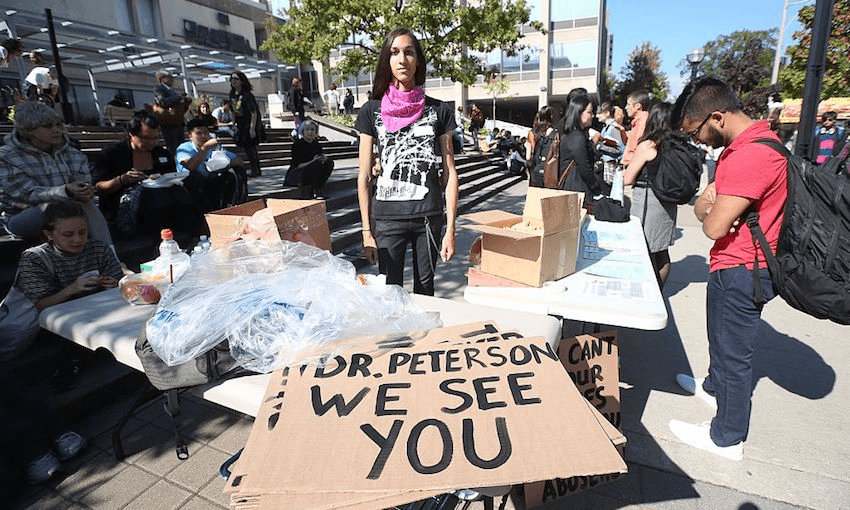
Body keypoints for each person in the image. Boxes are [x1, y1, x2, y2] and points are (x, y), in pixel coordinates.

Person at [668, 76, 788, 461]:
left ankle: (727, 437)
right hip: (734, 264)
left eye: (697, 133)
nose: (698, 142)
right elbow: (702, 206)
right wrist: (710, 210)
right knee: (721, 342)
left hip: (742, 268)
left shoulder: (750, 156)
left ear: (716, 117)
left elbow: (712, 224)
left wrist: (712, 213)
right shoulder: (752, 145)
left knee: (735, 357)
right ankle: (712, 388)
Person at [355, 27, 459, 296]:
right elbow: (365, 176)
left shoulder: (439, 111)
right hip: (387, 219)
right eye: (394, 52)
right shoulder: (371, 111)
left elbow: (449, 172)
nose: (402, 59)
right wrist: (367, 231)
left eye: (409, 52)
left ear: (418, 61)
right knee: (389, 295)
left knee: (426, 290)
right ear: (386, 60)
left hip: (428, 216)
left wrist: (451, 229)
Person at [0, 102, 112, 246]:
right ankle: (110, 258)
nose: (57, 130)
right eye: (48, 126)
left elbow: (82, 183)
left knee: (83, 204)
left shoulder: (73, 154)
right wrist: (65, 191)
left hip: (69, 211)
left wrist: (84, 191)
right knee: (60, 207)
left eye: (59, 125)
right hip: (22, 217)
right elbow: (27, 195)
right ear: (28, 130)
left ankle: (106, 258)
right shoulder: (6, 156)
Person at [93, 109, 203, 237]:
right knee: (154, 194)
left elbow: (172, 177)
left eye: (155, 138)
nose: (151, 143)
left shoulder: (161, 153)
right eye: (145, 138)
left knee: (192, 181)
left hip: (167, 203)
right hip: (127, 209)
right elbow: (98, 187)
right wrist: (122, 180)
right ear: (131, 134)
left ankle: (197, 231)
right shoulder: (112, 154)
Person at [622, 102, 680, 288]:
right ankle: (659, 291)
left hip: (649, 203)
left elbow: (628, 179)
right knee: (662, 252)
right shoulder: (677, 144)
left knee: (644, 250)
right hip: (669, 203)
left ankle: (648, 292)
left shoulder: (648, 145)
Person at [176, 117, 248, 211]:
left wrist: (225, 164)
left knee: (236, 171)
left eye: (206, 132)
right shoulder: (184, 149)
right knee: (194, 177)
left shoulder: (214, 147)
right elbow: (190, 165)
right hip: (193, 187)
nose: (203, 136)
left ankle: (236, 205)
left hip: (212, 181)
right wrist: (205, 147)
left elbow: (239, 161)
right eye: (199, 133)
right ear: (190, 136)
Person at [559, 94, 600, 195]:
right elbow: (584, 166)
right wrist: (596, 188)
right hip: (576, 188)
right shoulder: (576, 137)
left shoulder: (575, 134)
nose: (592, 115)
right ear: (578, 112)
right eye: (589, 112)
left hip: (575, 187)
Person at [283, 119, 334, 199]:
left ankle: (318, 188)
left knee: (329, 162)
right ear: (302, 131)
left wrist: (324, 159)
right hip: (297, 175)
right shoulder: (298, 145)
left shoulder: (316, 145)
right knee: (316, 164)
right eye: (307, 129)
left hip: (311, 172)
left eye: (312, 129)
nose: (310, 132)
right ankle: (315, 191)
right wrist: (313, 161)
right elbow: (297, 165)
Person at [230, 71, 263, 177]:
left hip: (248, 123)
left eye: (236, 79)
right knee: (243, 146)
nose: (233, 81)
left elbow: (253, 112)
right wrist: (233, 123)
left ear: (242, 81)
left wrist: (252, 128)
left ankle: (256, 169)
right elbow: (232, 110)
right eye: (232, 79)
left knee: (250, 147)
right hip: (239, 123)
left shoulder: (247, 95)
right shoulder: (232, 94)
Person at [152, 69, 191, 155]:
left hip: (177, 121)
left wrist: (185, 102)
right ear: (161, 78)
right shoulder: (159, 88)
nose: (172, 79)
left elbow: (176, 105)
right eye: (169, 77)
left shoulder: (171, 90)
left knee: (181, 146)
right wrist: (179, 97)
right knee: (173, 146)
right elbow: (163, 102)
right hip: (168, 122)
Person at [596, 101, 625, 194]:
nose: (597, 116)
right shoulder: (606, 127)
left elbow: (619, 149)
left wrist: (600, 146)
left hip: (610, 164)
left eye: (600, 113)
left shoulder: (613, 127)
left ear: (607, 113)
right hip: (606, 163)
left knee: (609, 192)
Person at [527, 106, 558, 188]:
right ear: (550, 116)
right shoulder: (554, 133)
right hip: (548, 170)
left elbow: (528, 157)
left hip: (535, 169)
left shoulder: (533, 132)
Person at [622, 90, 650, 166]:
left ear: (638, 106)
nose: (626, 108)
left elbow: (636, 147)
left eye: (628, 104)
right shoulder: (637, 122)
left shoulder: (642, 122)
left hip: (632, 165)